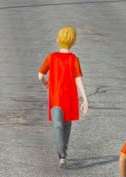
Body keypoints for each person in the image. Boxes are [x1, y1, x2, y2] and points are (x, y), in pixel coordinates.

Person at [38, 26, 89, 166]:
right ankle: (63, 155)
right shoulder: (74, 59)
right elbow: (78, 78)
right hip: (70, 98)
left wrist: (46, 83)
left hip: (56, 98)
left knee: (57, 125)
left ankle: (61, 153)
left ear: (58, 39)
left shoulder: (51, 57)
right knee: (67, 126)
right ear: (73, 42)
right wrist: (84, 98)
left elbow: (40, 75)